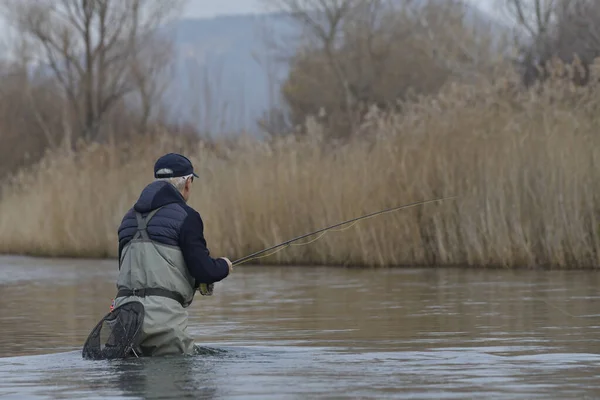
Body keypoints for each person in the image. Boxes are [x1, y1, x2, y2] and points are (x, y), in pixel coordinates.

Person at [112, 152, 232, 357]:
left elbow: (140, 272)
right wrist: (224, 266)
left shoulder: (127, 219)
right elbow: (204, 270)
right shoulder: (187, 217)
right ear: (188, 183)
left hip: (124, 317)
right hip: (164, 321)